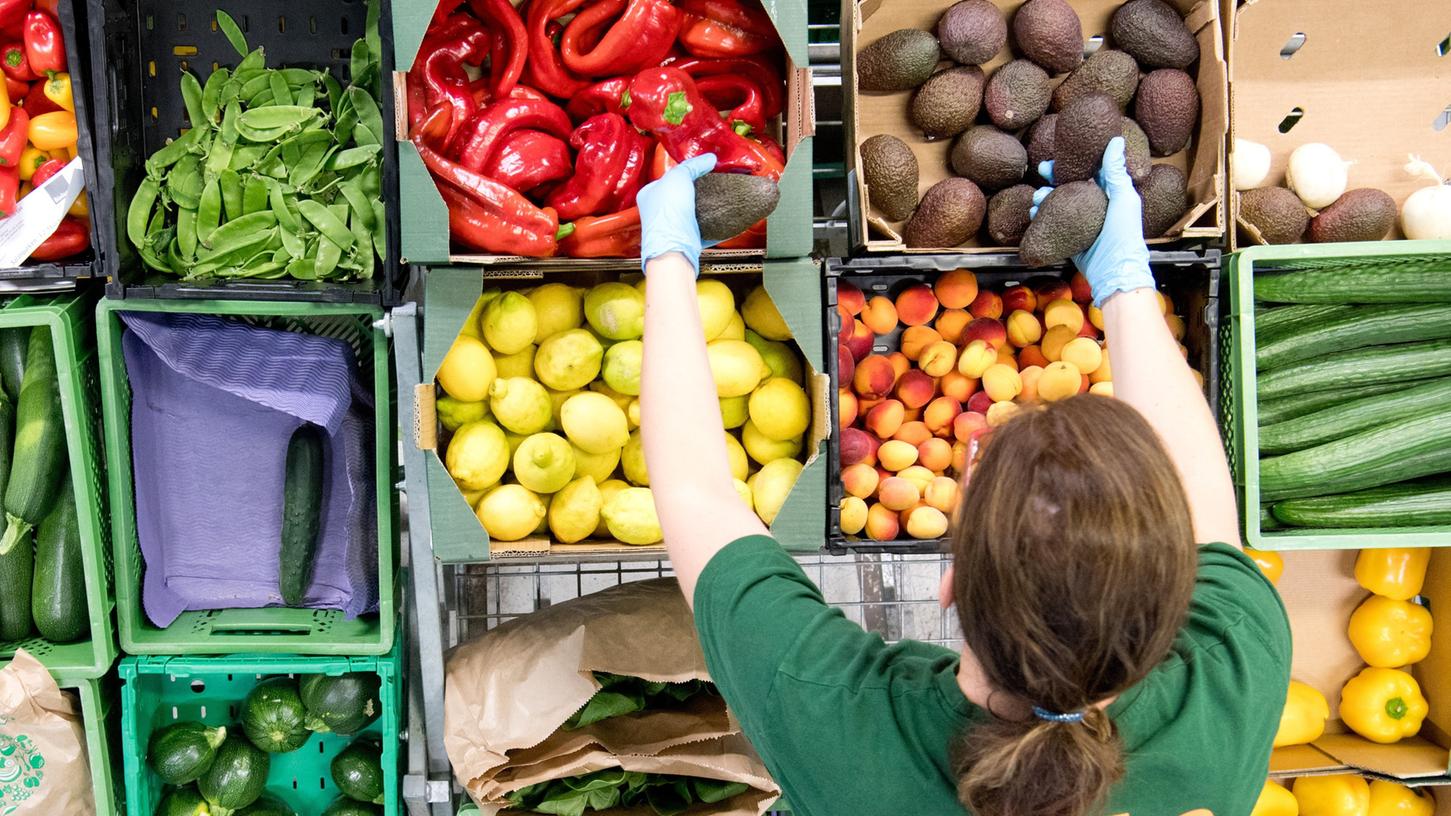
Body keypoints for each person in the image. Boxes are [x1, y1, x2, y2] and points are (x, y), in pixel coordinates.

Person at [635, 139, 1290, 816]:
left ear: (949, 586)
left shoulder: (834, 712)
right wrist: (1124, 284)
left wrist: (667, 253)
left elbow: (693, 491)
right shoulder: (1231, 672)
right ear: (1174, 591)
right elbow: (1207, 510)